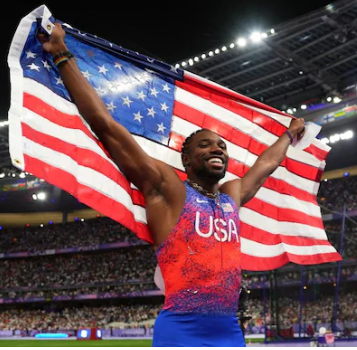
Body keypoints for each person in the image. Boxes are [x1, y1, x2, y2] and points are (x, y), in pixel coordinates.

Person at [38, 24, 306, 347]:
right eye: (205, 145)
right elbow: (106, 127)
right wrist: (62, 54)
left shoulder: (230, 195)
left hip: (230, 331)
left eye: (221, 145)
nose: (217, 149)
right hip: (181, 330)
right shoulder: (168, 189)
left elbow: (264, 166)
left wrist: (290, 135)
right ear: (187, 160)